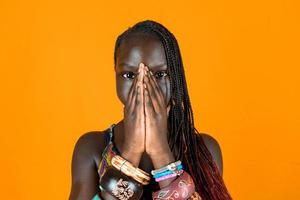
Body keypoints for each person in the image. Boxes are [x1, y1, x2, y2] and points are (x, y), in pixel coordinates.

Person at [69, 20, 232, 200]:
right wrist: (131, 152)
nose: (144, 86)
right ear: (115, 73)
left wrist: (161, 152)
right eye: (130, 75)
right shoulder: (91, 148)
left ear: (175, 77)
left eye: (160, 74)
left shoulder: (204, 150)